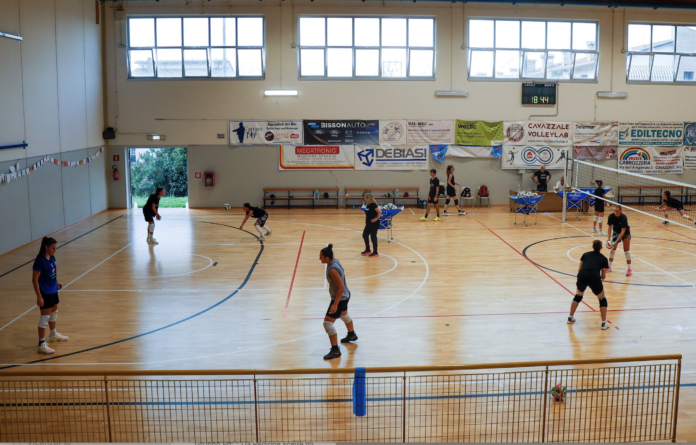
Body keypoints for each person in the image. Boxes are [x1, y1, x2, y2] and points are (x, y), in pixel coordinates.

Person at [319, 244, 357, 360]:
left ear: (326, 257)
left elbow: (340, 287)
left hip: (340, 298)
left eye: (321, 256)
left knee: (327, 323)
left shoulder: (332, 269)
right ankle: (351, 334)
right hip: (345, 295)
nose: (319, 258)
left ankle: (335, 350)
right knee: (343, 314)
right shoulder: (335, 261)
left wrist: (335, 304)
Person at [32, 237, 68, 354]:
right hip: (45, 292)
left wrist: (56, 281)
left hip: (53, 289)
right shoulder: (39, 261)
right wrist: (39, 296)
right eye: (53, 248)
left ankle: (53, 334)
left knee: (54, 313)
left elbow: (53, 271)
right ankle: (41, 344)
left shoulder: (51, 257)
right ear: (46, 247)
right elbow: (34, 279)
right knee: (45, 318)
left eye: (55, 248)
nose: (54, 250)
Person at [568, 241, 610, 330]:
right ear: (601, 247)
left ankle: (570, 317)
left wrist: (580, 280)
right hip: (594, 277)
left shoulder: (585, 254)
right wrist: (600, 281)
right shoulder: (604, 259)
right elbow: (603, 276)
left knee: (578, 296)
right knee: (602, 299)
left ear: (592, 246)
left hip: (582, 275)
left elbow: (579, 269)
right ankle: (603, 323)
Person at [606, 206, 632, 276]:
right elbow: (610, 228)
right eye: (614, 211)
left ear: (620, 211)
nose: (615, 212)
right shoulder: (611, 216)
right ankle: (609, 266)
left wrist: (616, 242)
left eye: (617, 211)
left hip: (625, 233)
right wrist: (608, 238)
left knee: (626, 251)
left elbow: (623, 231)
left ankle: (629, 269)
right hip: (616, 232)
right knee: (612, 250)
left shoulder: (624, 218)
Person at [361, 194, 381, 258]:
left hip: (374, 224)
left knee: (373, 237)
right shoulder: (368, 204)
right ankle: (368, 250)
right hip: (368, 223)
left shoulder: (373, 204)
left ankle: (375, 252)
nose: (365, 199)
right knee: (365, 235)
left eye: (365, 198)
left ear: (368, 198)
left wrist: (375, 219)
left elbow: (379, 212)